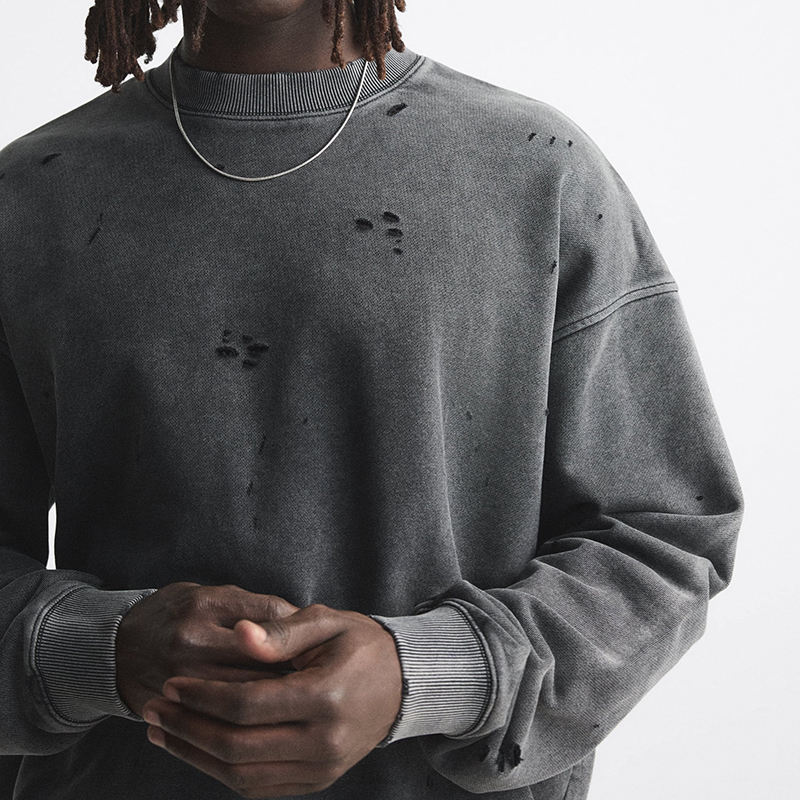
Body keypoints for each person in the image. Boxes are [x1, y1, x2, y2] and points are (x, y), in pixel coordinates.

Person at [0, 1, 745, 799]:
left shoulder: (539, 172)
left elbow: (667, 534)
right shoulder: (31, 195)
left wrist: (427, 672)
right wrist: (100, 652)